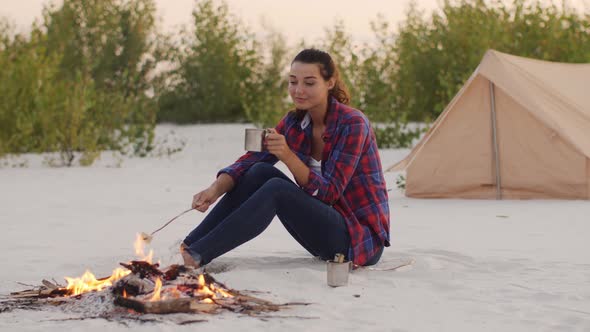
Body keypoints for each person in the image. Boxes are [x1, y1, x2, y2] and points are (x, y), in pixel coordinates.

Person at [181, 48, 390, 268]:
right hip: (321, 231)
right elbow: (249, 161)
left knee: (277, 190)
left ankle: (198, 255)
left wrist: (287, 155)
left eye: (309, 83)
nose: (298, 90)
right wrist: (214, 189)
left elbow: (329, 193)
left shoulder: (353, 123)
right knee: (259, 171)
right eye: (293, 82)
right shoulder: (294, 122)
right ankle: (191, 245)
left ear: (330, 83)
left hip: (357, 240)